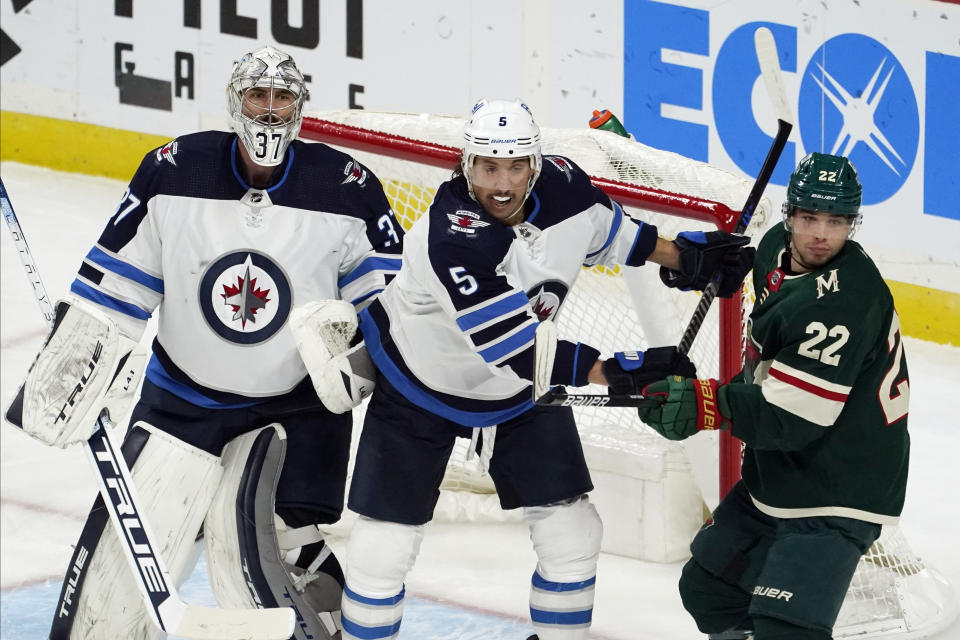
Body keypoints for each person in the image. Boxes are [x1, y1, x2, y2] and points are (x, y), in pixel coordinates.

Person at [11, 45, 403, 640]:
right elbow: (117, 285)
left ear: (300, 107)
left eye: (283, 98)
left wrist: (362, 362)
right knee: (112, 584)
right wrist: (81, 352)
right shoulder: (173, 171)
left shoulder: (348, 188)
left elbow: (389, 312)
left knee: (286, 562)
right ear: (235, 101)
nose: (270, 113)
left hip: (297, 411)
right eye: (258, 96)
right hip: (181, 403)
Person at [339, 98, 756, 640]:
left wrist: (686, 259)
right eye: (488, 167)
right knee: (383, 547)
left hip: (515, 395)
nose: (503, 182)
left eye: (516, 166)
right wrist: (618, 371)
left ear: (536, 164)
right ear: (466, 166)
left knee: (573, 534)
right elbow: (515, 350)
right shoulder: (451, 237)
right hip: (419, 382)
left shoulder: (567, 189)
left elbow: (618, 236)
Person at [637, 152, 910, 640]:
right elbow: (766, 298)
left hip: (840, 486)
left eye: (836, 221)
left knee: (786, 630)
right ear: (789, 216)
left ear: (853, 223)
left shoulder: (846, 300)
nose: (821, 234)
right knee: (709, 590)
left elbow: (792, 417)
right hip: (779, 473)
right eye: (809, 218)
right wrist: (708, 264)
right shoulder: (772, 250)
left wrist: (707, 403)